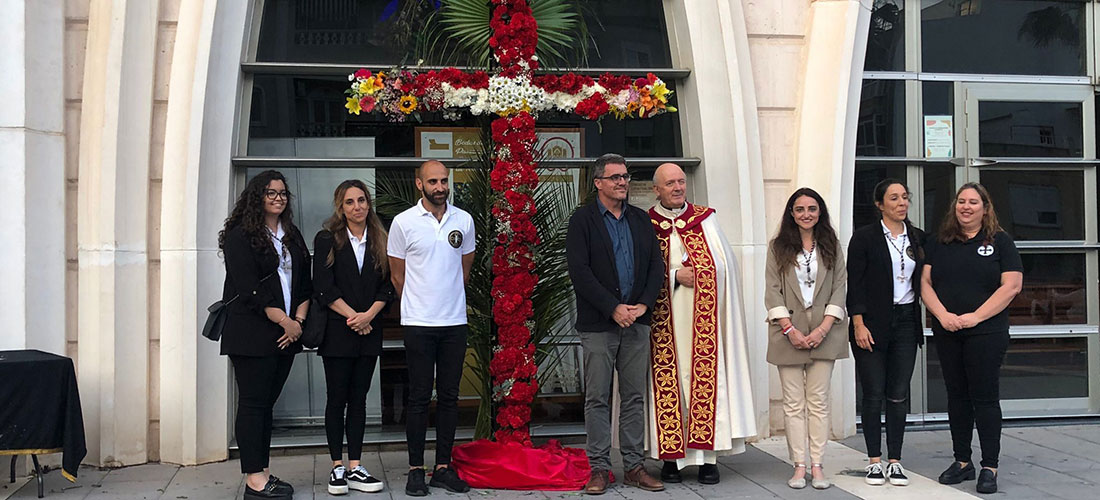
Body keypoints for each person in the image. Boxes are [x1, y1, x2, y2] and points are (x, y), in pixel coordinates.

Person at [645, 163, 757, 485]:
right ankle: (671, 460)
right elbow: (639, 270)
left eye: (681, 181)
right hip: (663, 323)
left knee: (703, 383)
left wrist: (706, 273)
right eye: (670, 183)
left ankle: (709, 459)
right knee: (670, 384)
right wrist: (673, 276)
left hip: (703, 322)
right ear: (657, 189)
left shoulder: (705, 219)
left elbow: (726, 266)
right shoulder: (646, 223)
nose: (678, 187)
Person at [566, 153, 666, 495]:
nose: (623, 182)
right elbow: (580, 272)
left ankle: (634, 466)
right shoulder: (583, 221)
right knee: (597, 398)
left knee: (635, 397)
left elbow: (656, 267)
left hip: (636, 323)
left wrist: (642, 305)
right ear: (598, 183)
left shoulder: (640, 219)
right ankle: (599, 469)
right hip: (599, 325)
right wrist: (612, 308)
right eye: (615, 178)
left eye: (625, 176)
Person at [921, 182, 1022, 495]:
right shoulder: (940, 241)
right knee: (957, 397)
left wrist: (976, 316)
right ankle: (963, 462)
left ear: (985, 208)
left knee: (985, 398)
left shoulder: (1000, 242)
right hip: (949, 330)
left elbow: (1012, 286)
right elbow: (925, 283)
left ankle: (989, 466)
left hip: (986, 332)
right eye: (961, 201)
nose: (966, 207)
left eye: (973, 202)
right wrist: (942, 316)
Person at [218, 170, 312, 500]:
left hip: (287, 334)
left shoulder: (292, 234)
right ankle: (254, 481)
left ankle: (263, 472)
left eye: (283, 193)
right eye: (271, 193)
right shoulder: (241, 235)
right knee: (253, 405)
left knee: (266, 407)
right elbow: (248, 289)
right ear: (257, 197)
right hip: (252, 333)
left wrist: (296, 321)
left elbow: (304, 283)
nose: (278, 198)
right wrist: (284, 321)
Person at [387, 160, 475, 496]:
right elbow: (398, 276)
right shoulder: (403, 223)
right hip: (419, 323)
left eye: (444, 181)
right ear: (419, 184)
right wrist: (420, 303)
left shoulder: (463, 220)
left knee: (450, 398)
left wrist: (447, 299)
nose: (440, 187)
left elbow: (463, 270)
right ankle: (414, 470)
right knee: (420, 397)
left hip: (454, 322)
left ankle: (443, 467)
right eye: (433, 181)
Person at [313, 180, 394, 495]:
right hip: (338, 332)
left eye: (362, 200)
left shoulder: (380, 239)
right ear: (340, 207)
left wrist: (369, 316)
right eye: (350, 202)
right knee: (337, 399)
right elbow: (323, 286)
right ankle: (336, 468)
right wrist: (353, 317)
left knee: (358, 400)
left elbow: (388, 286)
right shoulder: (326, 240)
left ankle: (355, 466)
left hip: (369, 330)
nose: (357, 206)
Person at [764, 187, 848, 491]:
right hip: (788, 334)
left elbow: (840, 288)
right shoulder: (777, 247)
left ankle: (817, 465)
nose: (806, 214)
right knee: (793, 404)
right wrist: (790, 330)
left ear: (820, 212)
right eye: (799, 209)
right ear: (791, 213)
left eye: (812, 209)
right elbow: (772, 290)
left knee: (818, 402)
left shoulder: (833, 246)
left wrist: (823, 329)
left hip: (826, 333)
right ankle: (799, 465)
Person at [847, 179, 925, 486]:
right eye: (894, 198)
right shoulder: (865, 237)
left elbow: (928, 279)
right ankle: (874, 460)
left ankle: (895, 460)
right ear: (880, 204)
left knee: (897, 394)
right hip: (872, 322)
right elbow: (855, 282)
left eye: (905, 197)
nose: (902, 203)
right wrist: (858, 323)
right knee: (873, 392)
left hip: (906, 320)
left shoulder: (917, 237)